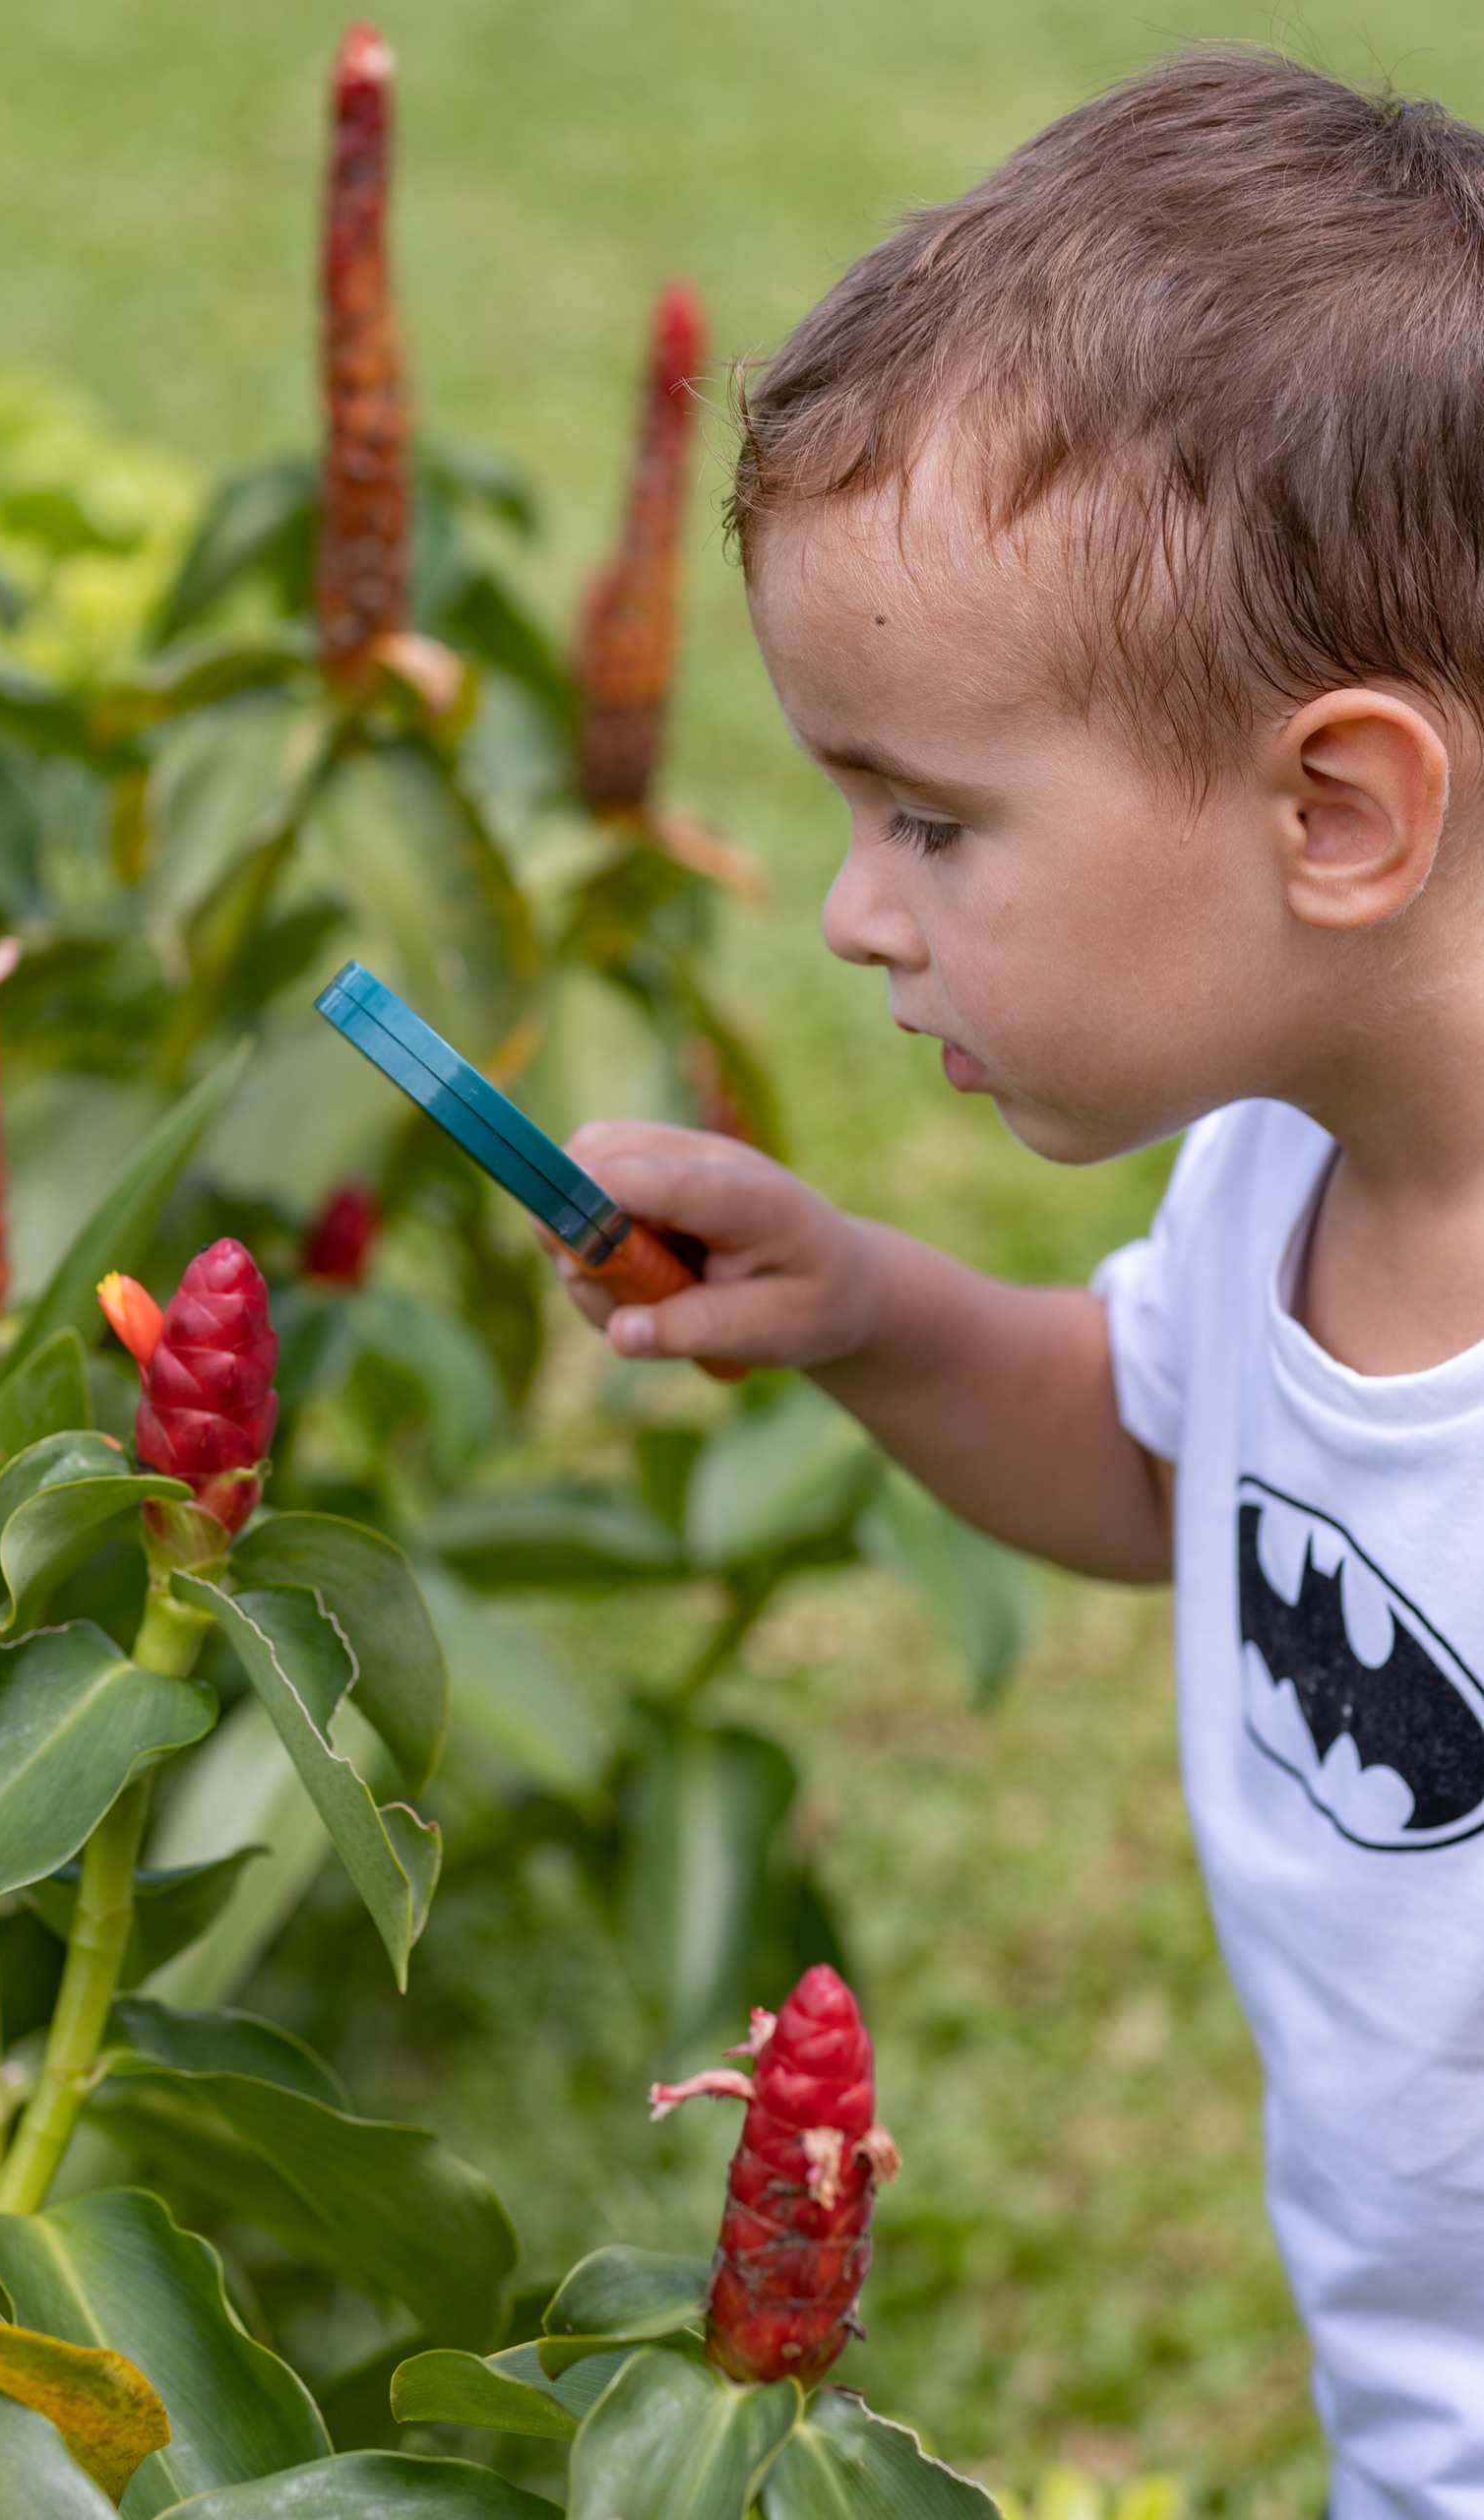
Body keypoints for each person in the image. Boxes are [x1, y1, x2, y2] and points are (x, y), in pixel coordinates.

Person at [555, 48, 1484, 2520]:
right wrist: (865, 1301)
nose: (859, 908)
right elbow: (1164, 1456)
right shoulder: (1276, 1170)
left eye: (931, 818)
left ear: (1336, 814)